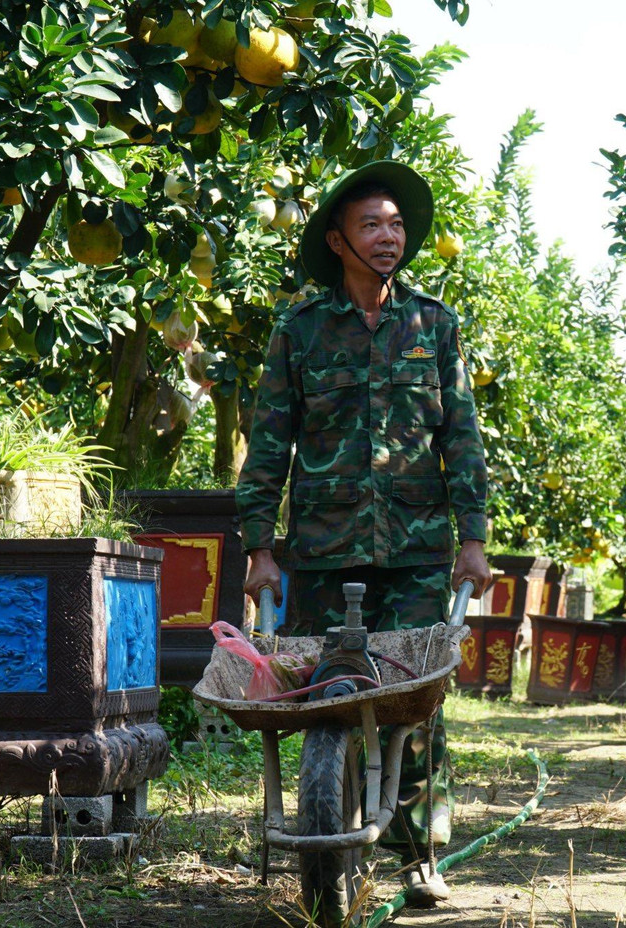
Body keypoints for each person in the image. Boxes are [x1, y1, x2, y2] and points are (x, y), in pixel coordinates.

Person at [236, 160, 492, 906]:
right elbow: (270, 446)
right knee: (326, 701)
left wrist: (471, 539)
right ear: (338, 241)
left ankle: (419, 858)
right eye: (371, 225)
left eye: (397, 225)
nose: (389, 237)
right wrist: (260, 550)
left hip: (415, 553)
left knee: (416, 702)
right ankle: (326, 835)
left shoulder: (434, 325)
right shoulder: (301, 330)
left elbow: (462, 440)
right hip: (320, 551)